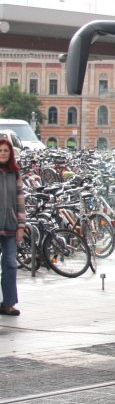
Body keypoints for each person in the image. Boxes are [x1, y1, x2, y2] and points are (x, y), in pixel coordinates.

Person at [0, 135, 26, 316]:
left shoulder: (15, 174)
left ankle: (8, 303)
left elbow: (21, 201)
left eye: (6, 151)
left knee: (10, 264)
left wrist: (21, 226)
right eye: (0, 151)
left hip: (10, 226)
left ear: (11, 154)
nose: (2, 153)